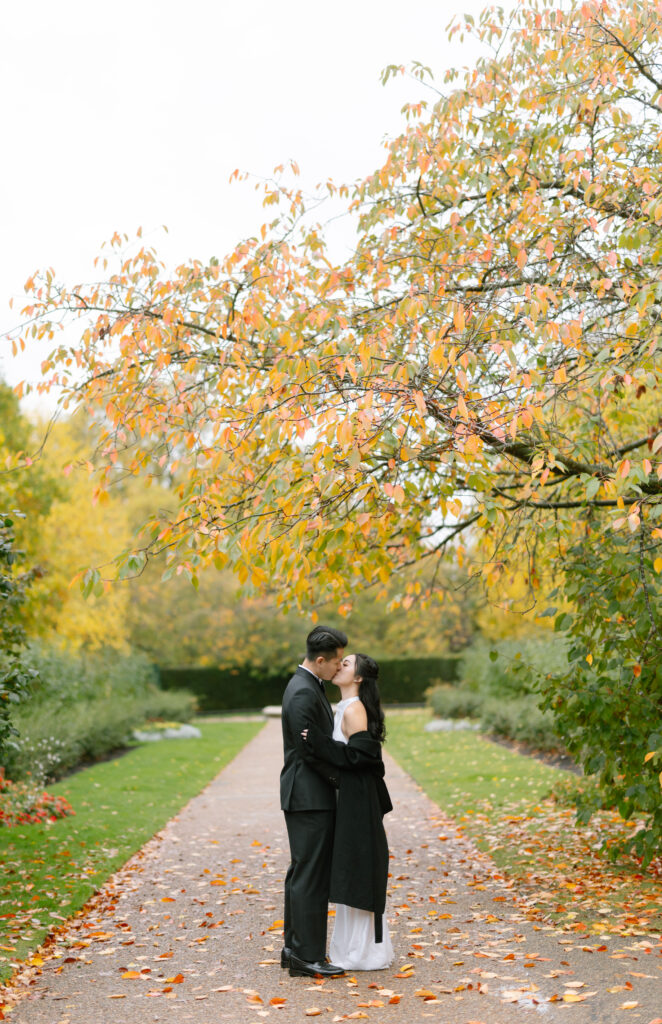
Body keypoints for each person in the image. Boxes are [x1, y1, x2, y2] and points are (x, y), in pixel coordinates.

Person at [302, 653, 393, 971]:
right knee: (351, 867)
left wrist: (315, 742)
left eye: (347, 663)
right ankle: (356, 951)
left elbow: (362, 758)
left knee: (356, 868)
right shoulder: (345, 707)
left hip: (358, 804)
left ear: (358, 678)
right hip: (351, 801)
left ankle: (360, 953)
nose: (339, 664)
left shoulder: (354, 709)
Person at [280, 625, 348, 979]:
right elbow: (310, 751)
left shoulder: (307, 684)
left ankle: (294, 948)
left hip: (306, 794)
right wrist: (342, 780)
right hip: (309, 796)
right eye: (336, 662)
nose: (338, 668)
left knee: (301, 871)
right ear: (320, 660)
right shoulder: (303, 692)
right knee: (311, 875)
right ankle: (307, 955)